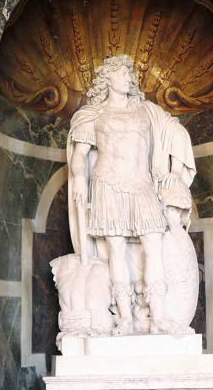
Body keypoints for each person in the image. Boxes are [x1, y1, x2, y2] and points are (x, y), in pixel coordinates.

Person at [67, 54, 195, 335]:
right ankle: (125, 317)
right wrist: (78, 178)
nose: (130, 78)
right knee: (116, 250)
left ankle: (158, 317)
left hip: (141, 185)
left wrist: (174, 169)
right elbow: (80, 154)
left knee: (154, 246)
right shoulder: (94, 115)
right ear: (108, 78)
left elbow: (174, 131)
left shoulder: (146, 111)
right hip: (107, 184)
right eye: (124, 73)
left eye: (130, 74)